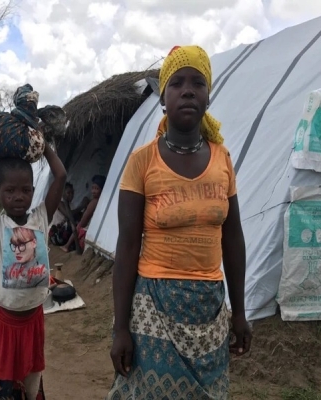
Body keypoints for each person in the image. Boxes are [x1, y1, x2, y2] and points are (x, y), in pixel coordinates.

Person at [106, 45, 252, 399]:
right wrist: (120, 328)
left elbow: (233, 240)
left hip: (210, 310)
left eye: (198, 83)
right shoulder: (142, 162)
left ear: (208, 95)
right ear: (163, 98)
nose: (188, 90)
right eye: (177, 83)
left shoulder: (223, 160)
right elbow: (126, 248)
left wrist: (240, 313)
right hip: (154, 309)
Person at [0, 113, 67, 400]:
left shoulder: (41, 218)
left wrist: (41, 139)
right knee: (4, 389)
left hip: (33, 321)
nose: (18, 196)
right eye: (9, 191)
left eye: (25, 190)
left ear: (33, 192)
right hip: (4, 324)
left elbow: (60, 175)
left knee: (31, 386)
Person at [59, 174, 106, 253]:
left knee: (78, 226)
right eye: (93, 188)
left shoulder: (94, 202)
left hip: (86, 235)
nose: (93, 191)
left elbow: (84, 221)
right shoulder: (103, 201)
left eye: (97, 188)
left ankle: (67, 245)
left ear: (102, 190)